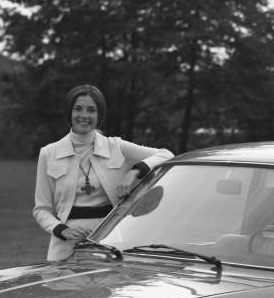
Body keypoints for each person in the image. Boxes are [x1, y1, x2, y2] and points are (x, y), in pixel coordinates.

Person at [33, 84, 173, 260]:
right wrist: (62, 230)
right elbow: (42, 209)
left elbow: (166, 155)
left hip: (110, 244)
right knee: (65, 288)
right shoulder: (49, 153)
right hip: (65, 247)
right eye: (78, 109)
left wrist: (134, 172)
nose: (84, 116)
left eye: (91, 110)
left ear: (99, 116)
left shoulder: (116, 146)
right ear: (69, 112)